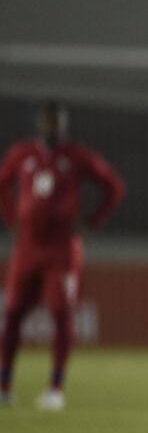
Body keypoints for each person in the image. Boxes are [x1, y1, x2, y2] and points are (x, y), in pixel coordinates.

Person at [0, 101, 125, 410]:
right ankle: (4, 385)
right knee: (13, 313)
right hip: (27, 248)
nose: (52, 127)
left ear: (63, 126)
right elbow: (1, 183)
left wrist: (94, 220)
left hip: (61, 250)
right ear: (39, 123)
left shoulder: (76, 157)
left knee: (61, 313)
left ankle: (55, 387)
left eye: (57, 122)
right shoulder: (22, 154)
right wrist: (11, 218)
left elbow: (114, 186)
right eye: (48, 121)